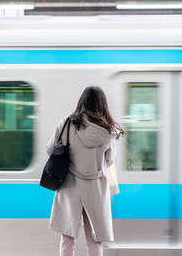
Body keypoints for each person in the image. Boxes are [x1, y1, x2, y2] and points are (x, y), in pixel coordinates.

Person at [46, 86, 125, 256]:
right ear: (102, 104)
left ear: (81, 101)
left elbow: (50, 150)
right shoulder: (108, 131)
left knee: (68, 238)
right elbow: (109, 161)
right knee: (95, 240)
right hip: (96, 189)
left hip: (69, 187)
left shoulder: (66, 124)